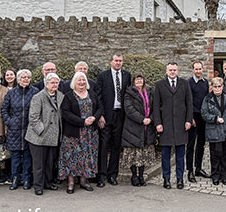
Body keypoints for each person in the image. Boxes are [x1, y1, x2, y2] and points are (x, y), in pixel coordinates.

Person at [59, 72, 102, 193]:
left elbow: (100, 108)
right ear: (74, 82)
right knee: (72, 157)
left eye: (83, 80)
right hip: (74, 133)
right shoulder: (68, 96)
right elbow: (66, 113)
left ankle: (84, 181)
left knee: (87, 156)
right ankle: (71, 182)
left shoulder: (92, 94)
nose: (82, 82)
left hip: (90, 133)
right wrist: (82, 122)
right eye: (79, 80)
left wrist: (94, 118)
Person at [154, 62, 193, 189]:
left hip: (181, 124)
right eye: (170, 70)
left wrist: (188, 120)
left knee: (180, 155)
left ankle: (180, 178)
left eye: (174, 70)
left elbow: (189, 104)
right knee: (165, 155)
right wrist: (158, 123)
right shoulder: (159, 85)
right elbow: (156, 106)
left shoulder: (184, 83)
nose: (172, 72)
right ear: (166, 71)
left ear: (178, 71)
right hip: (165, 125)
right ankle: (166, 179)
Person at [95, 54, 131, 187]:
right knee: (104, 145)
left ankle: (112, 174)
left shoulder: (127, 75)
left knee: (116, 145)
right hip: (106, 115)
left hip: (120, 115)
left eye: (120, 61)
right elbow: (98, 97)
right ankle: (101, 175)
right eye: (116, 61)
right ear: (110, 62)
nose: (118, 63)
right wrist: (101, 115)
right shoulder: (102, 76)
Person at [26, 73, 64, 195]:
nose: (55, 85)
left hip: (53, 135)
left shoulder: (61, 96)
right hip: (39, 137)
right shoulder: (38, 97)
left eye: (56, 83)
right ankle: (38, 186)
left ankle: (48, 183)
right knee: (39, 164)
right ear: (46, 84)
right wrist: (41, 131)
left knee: (49, 163)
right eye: (52, 83)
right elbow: (33, 117)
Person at [1, 69, 37, 190]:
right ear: (18, 79)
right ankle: (15, 178)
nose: (26, 79)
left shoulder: (35, 92)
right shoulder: (11, 93)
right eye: (23, 77)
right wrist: (9, 122)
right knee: (15, 156)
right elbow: (4, 109)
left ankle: (27, 178)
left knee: (28, 155)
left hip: (29, 128)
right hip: (14, 129)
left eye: (28, 77)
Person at [201, 77, 226, 185]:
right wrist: (215, 119)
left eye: (219, 86)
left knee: (225, 155)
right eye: (215, 86)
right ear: (212, 87)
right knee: (215, 155)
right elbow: (204, 113)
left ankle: (224, 176)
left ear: (223, 87)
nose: (217, 88)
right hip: (214, 131)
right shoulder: (207, 99)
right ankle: (215, 176)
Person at [122, 74, 156, 187]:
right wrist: (142, 119)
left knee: (143, 153)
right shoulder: (129, 93)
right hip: (134, 126)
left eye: (141, 79)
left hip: (147, 126)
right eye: (137, 79)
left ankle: (141, 176)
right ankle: (134, 176)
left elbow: (155, 107)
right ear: (133, 82)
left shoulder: (150, 91)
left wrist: (150, 119)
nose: (139, 81)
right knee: (134, 153)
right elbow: (129, 109)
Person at [187, 61, 210, 182]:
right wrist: (190, 118)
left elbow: (206, 100)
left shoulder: (205, 82)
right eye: (196, 69)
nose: (198, 71)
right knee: (191, 145)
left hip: (203, 117)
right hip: (193, 116)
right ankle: (190, 171)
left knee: (201, 144)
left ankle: (198, 168)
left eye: (200, 69)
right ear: (193, 70)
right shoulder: (188, 83)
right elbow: (187, 101)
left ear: (202, 69)